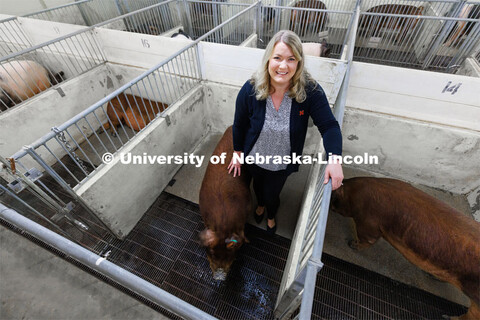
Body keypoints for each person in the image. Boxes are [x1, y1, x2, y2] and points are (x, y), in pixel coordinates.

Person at [227, 30, 343, 235]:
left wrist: (334, 158)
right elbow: (239, 124)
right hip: (254, 157)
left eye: (291, 59)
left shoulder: (310, 91)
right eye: (278, 58)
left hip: (281, 163)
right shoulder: (251, 88)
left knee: (273, 194)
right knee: (257, 188)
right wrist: (237, 153)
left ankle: (270, 214)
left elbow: (329, 126)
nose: (283, 66)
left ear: (299, 62)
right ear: (268, 59)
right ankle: (260, 205)